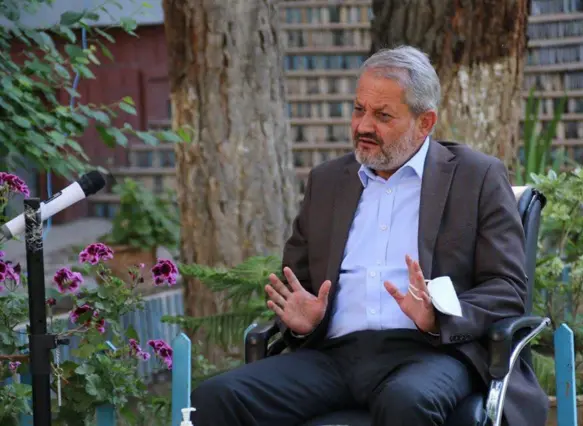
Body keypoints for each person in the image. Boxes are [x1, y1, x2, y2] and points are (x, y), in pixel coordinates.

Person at [191, 45, 548, 426]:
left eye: (382, 115)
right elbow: (301, 283)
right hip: (334, 356)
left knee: (405, 401)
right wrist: (305, 318)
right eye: (359, 109)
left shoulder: (475, 177)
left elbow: (507, 288)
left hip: (432, 353)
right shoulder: (328, 182)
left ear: (425, 122)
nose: (363, 126)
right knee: (213, 399)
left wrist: (438, 317)